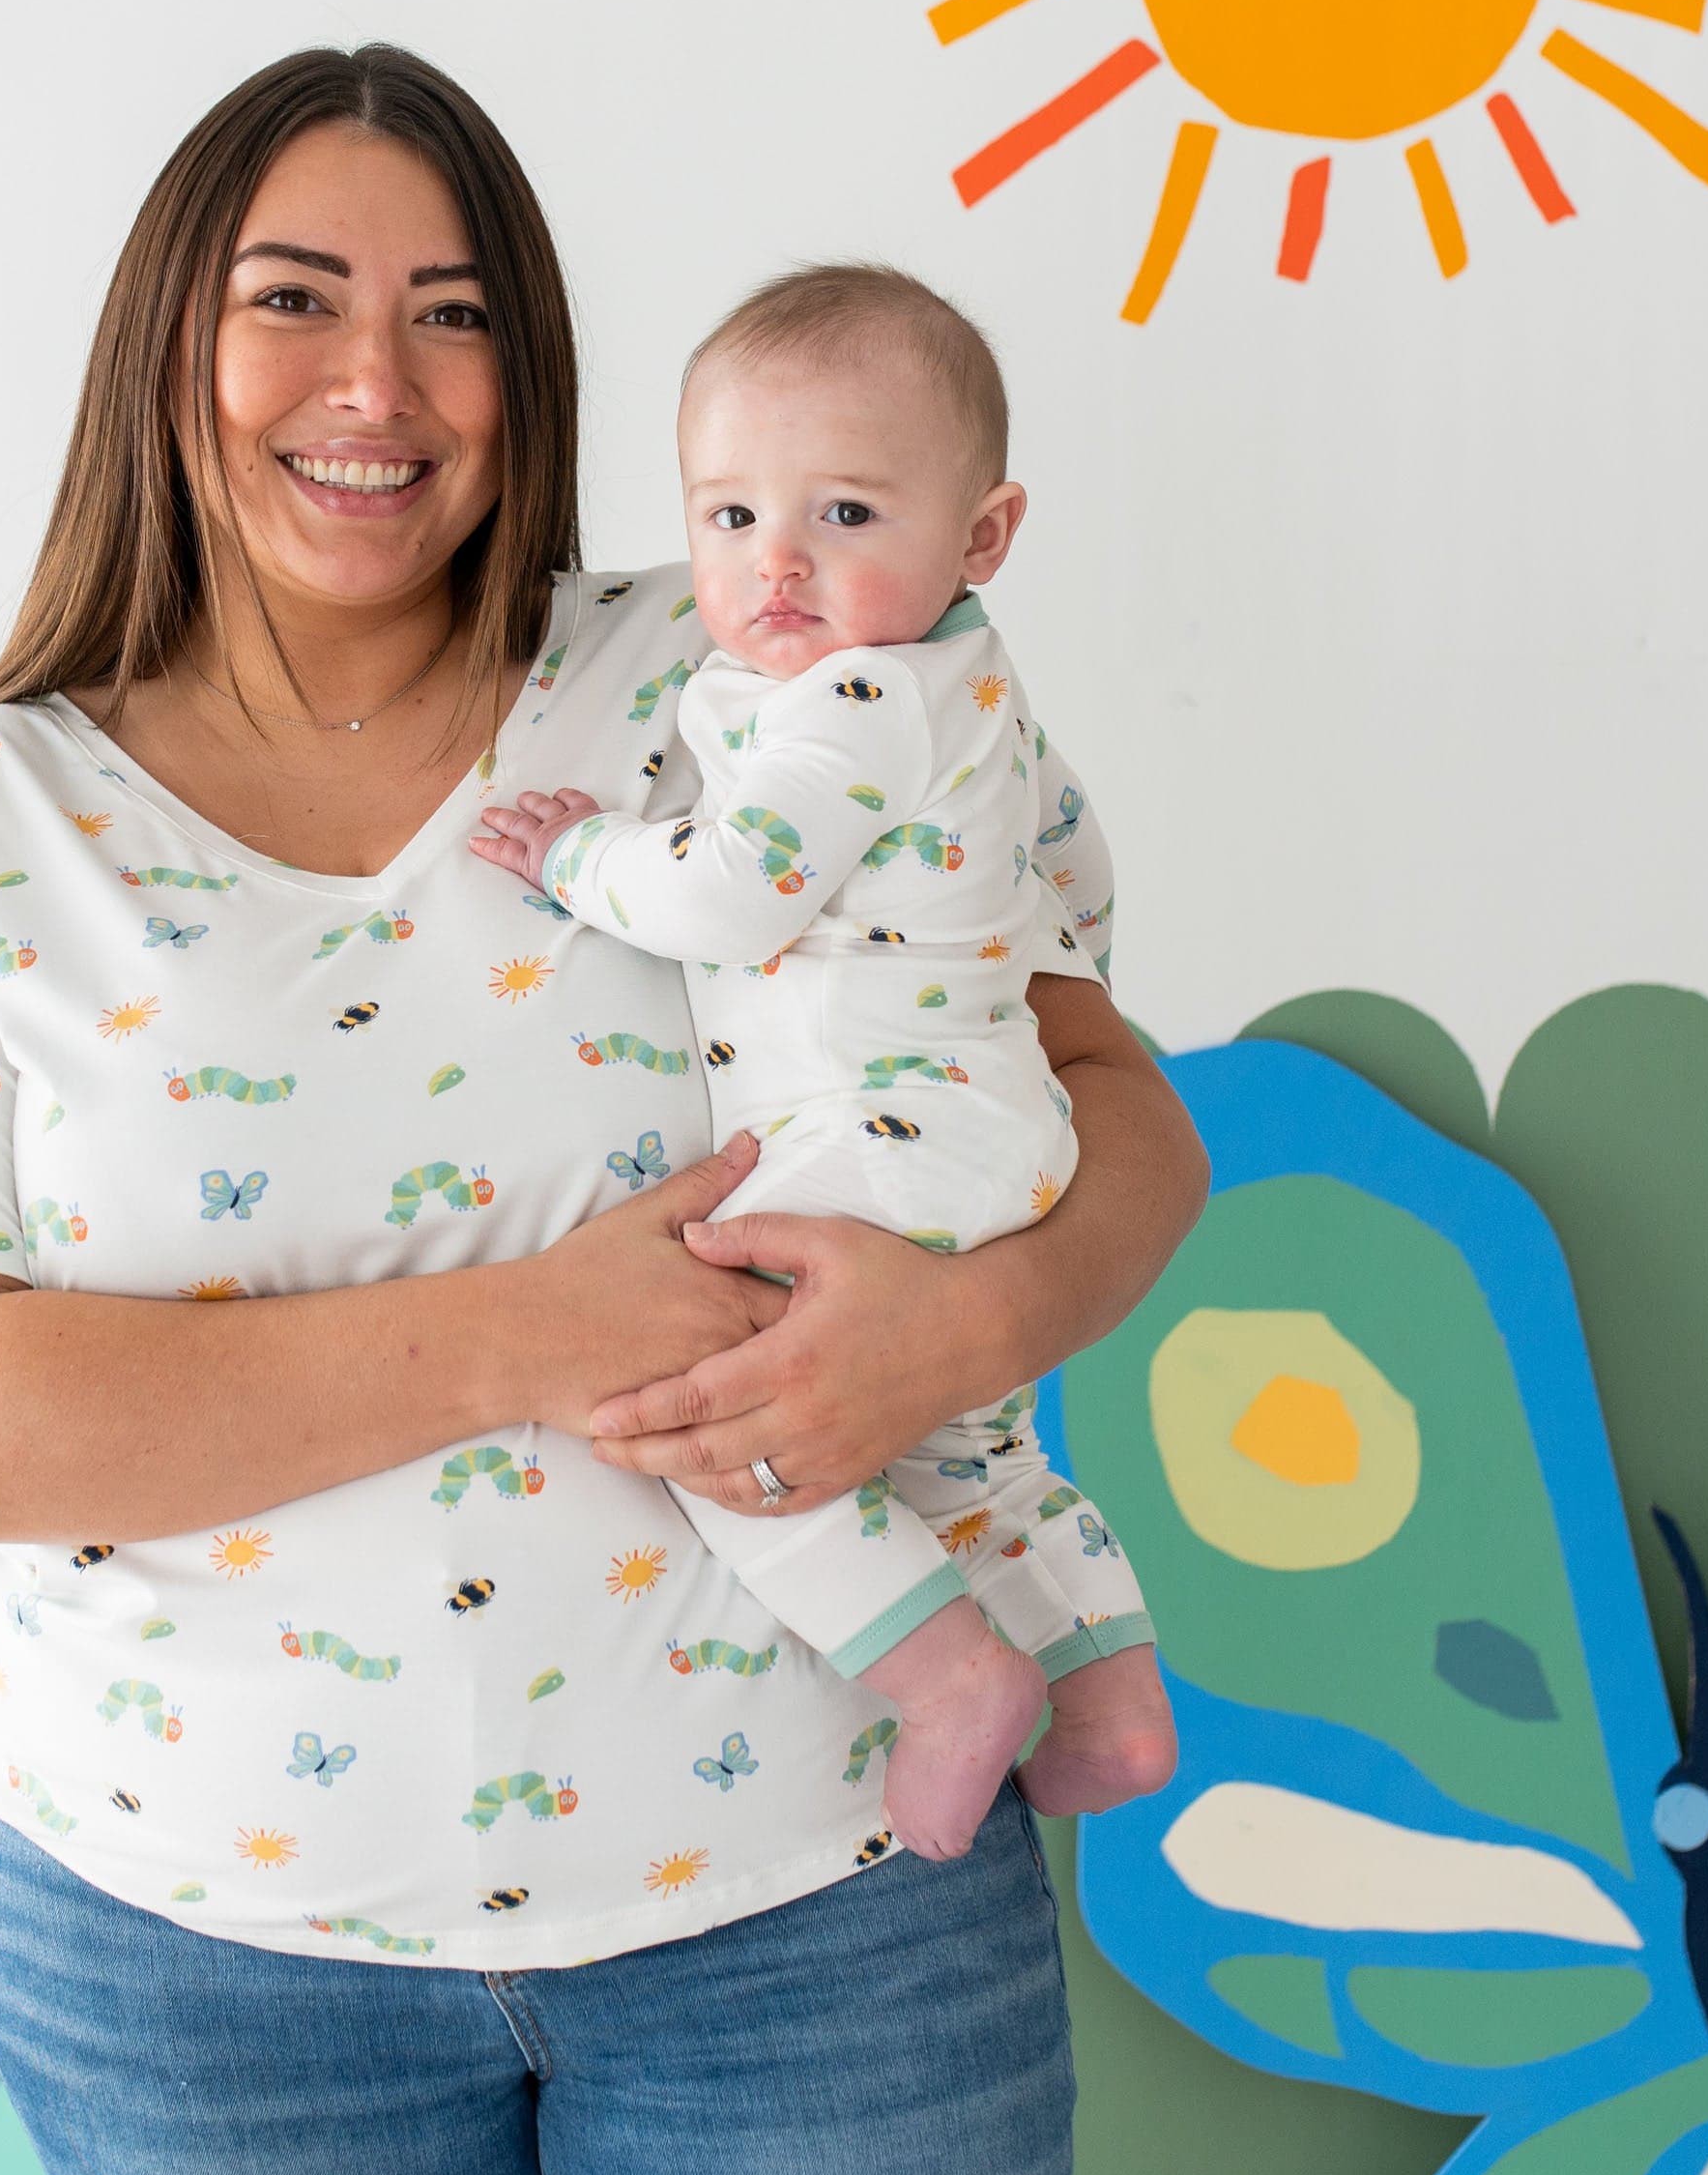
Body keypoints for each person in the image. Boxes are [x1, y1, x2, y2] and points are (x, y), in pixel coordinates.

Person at [0, 44, 1206, 2175]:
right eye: (294, 298)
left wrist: (962, 1328)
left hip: (814, 1922)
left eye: (453, 311)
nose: (379, 377)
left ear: (529, 370)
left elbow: (1116, 1120)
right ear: (171, 340)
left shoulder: (763, 667)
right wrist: (548, 1332)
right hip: (200, 1967)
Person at [471, 262, 1177, 1865]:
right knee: (974, 1445)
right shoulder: (972, 686)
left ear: (982, 536)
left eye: (845, 516)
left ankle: (945, 1681)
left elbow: (729, 891)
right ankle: (1112, 1692)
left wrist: (583, 858)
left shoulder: (854, 699)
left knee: (729, 1430)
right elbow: (1078, 863)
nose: (773, 562)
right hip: (988, 1119)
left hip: (876, 1133)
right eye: (727, 516)